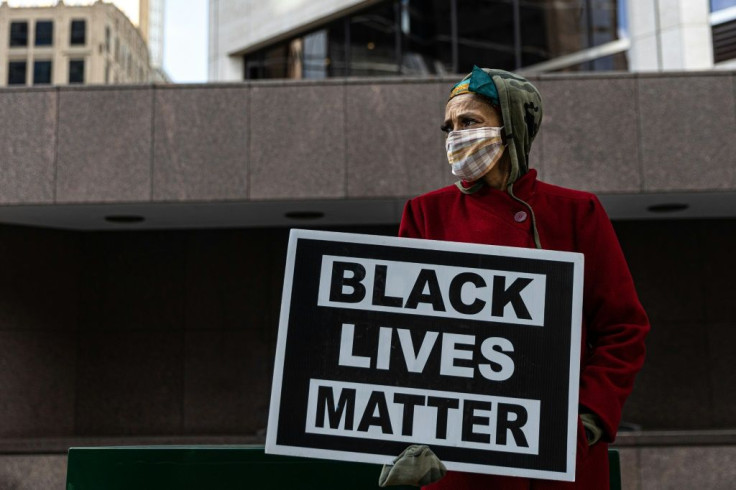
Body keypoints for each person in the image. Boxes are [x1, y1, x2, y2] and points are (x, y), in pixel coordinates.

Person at [392, 67, 650, 489]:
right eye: (449, 126)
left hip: (561, 457)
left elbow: (623, 328)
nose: (455, 136)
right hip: (463, 460)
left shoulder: (576, 212)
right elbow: (402, 336)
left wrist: (587, 419)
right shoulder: (425, 214)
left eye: (469, 122)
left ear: (511, 127)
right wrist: (407, 432)